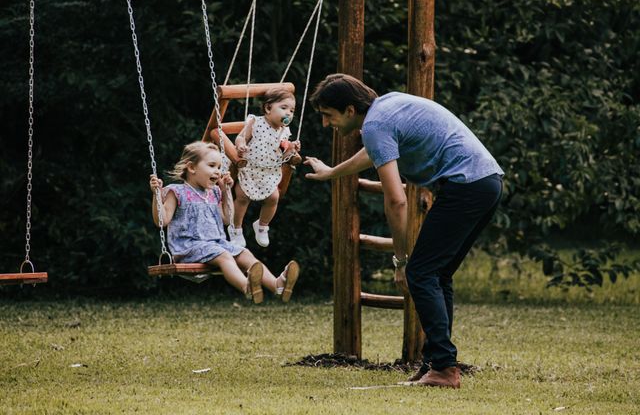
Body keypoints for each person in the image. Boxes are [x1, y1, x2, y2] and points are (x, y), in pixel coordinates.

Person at [304, 74, 503, 388]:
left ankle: (444, 368)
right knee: (437, 274)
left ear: (350, 111)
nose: (327, 124)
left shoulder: (375, 125)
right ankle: (436, 365)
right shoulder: (386, 108)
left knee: (421, 273)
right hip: (486, 182)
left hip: (465, 187)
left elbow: (397, 201)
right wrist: (333, 173)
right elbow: (373, 152)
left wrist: (400, 261)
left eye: (329, 116)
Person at [149, 141, 299, 303]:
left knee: (244, 252)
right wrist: (156, 194)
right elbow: (162, 221)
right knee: (224, 256)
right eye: (212, 166)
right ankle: (247, 286)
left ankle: (277, 285)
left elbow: (227, 219)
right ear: (192, 168)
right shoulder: (176, 192)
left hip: (215, 244)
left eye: (220, 167)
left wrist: (226, 191)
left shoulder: (214, 192)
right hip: (189, 246)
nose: (217, 172)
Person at [228, 88, 301, 248]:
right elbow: (241, 137)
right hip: (249, 169)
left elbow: (282, 153)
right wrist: (241, 146)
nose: (289, 113)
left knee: (274, 198)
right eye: (284, 108)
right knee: (242, 197)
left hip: (269, 171)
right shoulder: (255, 122)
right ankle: (236, 228)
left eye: (292, 110)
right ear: (268, 108)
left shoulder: (284, 131)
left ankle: (262, 226)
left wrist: (291, 148)